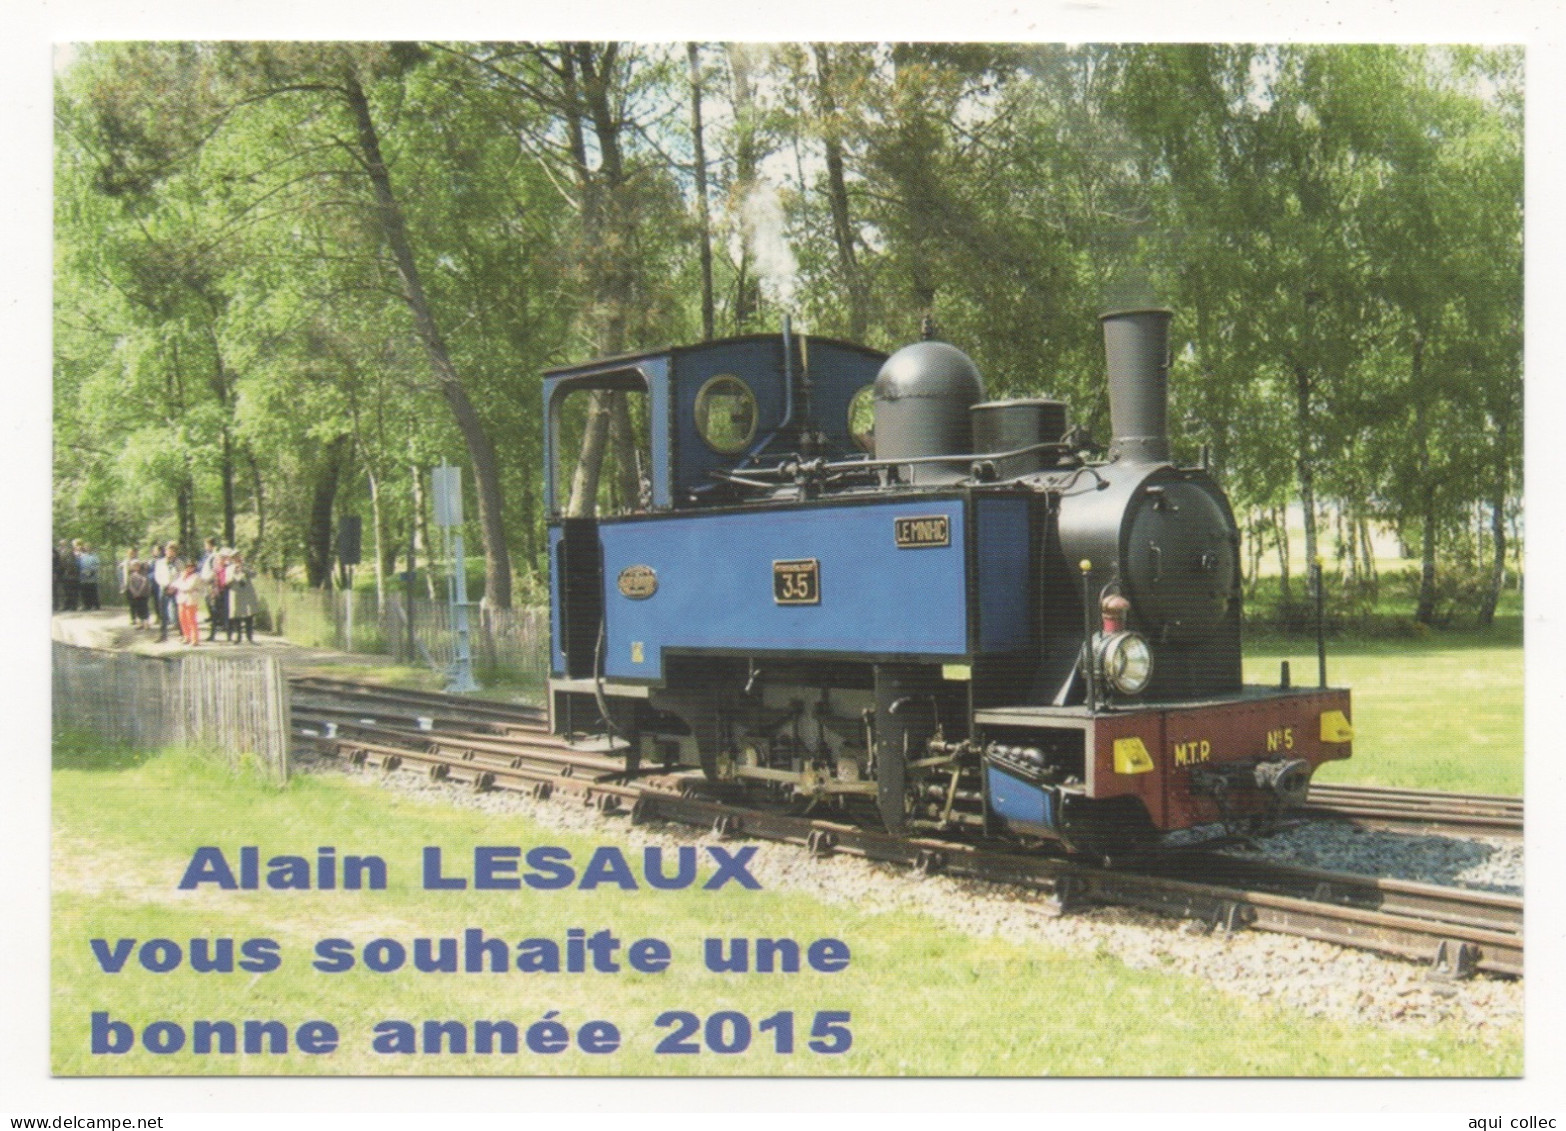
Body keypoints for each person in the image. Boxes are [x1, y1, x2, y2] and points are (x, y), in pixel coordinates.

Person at [224, 553, 258, 643]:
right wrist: (234, 575)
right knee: (236, 614)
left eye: (238, 557)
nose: (237, 559)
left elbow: (254, 574)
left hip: (247, 592)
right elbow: (226, 582)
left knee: (249, 614)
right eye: (234, 558)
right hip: (235, 592)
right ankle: (238, 637)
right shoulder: (229, 568)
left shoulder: (246, 566)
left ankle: (249, 637)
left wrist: (244, 569)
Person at [172, 561, 207, 646]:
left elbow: (187, 587)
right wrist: (181, 582)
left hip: (191, 599)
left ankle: (195, 639)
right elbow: (174, 584)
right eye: (187, 567)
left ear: (194, 568)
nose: (189, 568)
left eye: (191, 567)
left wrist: (180, 584)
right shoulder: (182, 575)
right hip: (181, 599)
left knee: (191, 620)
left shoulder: (196, 577)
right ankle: (186, 636)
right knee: (182, 619)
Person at [153, 542, 181, 642]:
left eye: (172, 551)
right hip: (164, 587)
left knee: (177, 610)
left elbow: (181, 575)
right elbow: (158, 576)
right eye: (168, 551)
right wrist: (165, 585)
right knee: (162, 612)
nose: (170, 553)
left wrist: (174, 586)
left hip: (175, 588)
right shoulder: (160, 562)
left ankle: (181, 633)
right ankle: (163, 634)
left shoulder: (178, 563)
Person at [125, 561, 153, 630]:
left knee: (144, 608)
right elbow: (130, 585)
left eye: (137, 565)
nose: (135, 567)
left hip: (144, 594)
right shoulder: (132, 575)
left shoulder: (144, 574)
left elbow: (145, 583)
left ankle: (146, 623)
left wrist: (139, 592)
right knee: (138, 609)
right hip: (135, 595)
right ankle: (140, 623)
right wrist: (134, 592)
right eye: (134, 566)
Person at [76, 542, 101, 611]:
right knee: (84, 592)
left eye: (88, 547)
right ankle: (86, 605)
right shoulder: (82, 556)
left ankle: (95, 605)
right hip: (83, 576)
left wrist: (91, 571)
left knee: (93, 591)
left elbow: (97, 565)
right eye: (86, 547)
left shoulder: (94, 556)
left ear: (91, 548)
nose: (87, 548)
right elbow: (78, 565)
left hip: (92, 577)